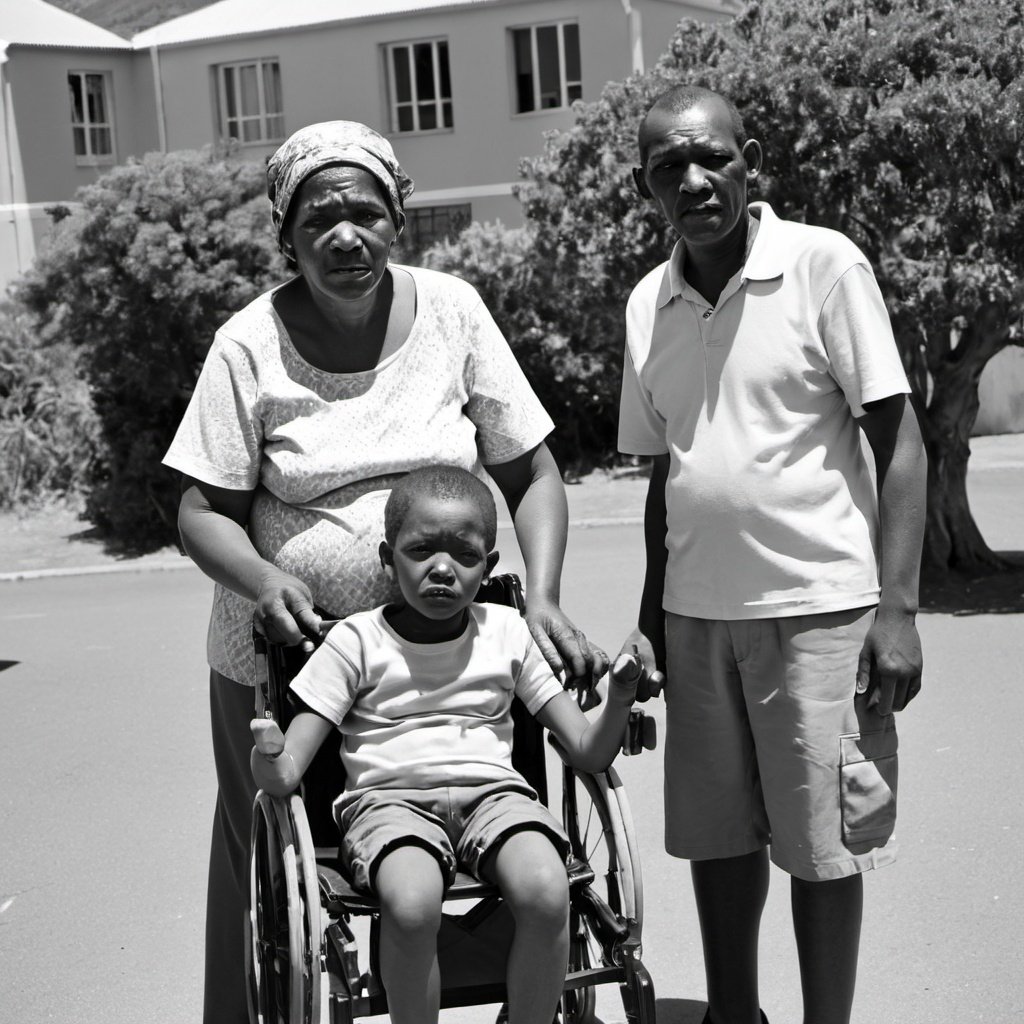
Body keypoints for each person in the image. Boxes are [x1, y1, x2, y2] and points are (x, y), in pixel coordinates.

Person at [162, 121, 604, 1024]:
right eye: (320, 219)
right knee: (266, 861)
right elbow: (199, 510)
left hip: (448, 648)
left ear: (398, 220)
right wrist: (263, 580)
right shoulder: (249, 344)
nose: (345, 236)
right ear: (286, 235)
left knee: (467, 831)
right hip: (290, 649)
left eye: (366, 212)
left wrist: (545, 593)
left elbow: (532, 470)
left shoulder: (452, 310)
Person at [618, 86, 926, 1024]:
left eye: (711, 157)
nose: (694, 179)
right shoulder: (648, 301)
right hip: (698, 617)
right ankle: (731, 1014)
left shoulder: (821, 264)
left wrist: (899, 611)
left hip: (820, 611)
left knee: (824, 842)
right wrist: (647, 623)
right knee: (719, 841)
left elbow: (899, 438)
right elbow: (668, 474)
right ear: (646, 186)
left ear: (750, 160)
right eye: (670, 166)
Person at [250, 465, 646, 1024]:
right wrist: (269, 754)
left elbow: (584, 748)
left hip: (496, 800)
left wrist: (621, 698)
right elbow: (287, 771)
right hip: (388, 805)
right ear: (388, 558)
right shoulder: (353, 642)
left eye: (464, 555)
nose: (442, 568)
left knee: (547, 890)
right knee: (411, 907)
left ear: (487, 566)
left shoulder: (507, 633)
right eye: (421, 551)